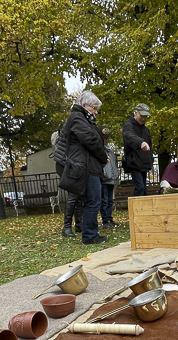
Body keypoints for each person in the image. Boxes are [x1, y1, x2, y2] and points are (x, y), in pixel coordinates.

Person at [57, 90, 109, 245]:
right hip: (85, 167)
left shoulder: (80, 118)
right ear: (84, 105)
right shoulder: (78, 118)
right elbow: (90, 140)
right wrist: (102, 156)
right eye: (94, 108)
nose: (96, 112)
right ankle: (89, 236)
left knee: (90, 201)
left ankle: (89, 233)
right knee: (93, 200)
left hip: (86, 166)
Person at [122, 103, 153, 196]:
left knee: (144, 190)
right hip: (134, 163)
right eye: (142, 116)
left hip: (144, 163)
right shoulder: (128, 126)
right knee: (140, 188)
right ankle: (137, 209)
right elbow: (129, 136)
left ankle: (144, 209)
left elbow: (150, 147)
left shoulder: (146, 130)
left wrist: (150, 160)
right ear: (136, 113)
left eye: (145, 116)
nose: (143, 119)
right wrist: (140, 143)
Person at [100, 127, 120, 229]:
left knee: (110, 201)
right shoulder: (100, 150)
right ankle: (105, 220)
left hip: (111, 179)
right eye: (105, 138)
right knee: (105, 201)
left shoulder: (110, 151)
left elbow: (113, 164)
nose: (107, 140)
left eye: (108, 138)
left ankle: (109, 218)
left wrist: (115, 174)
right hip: (104, 180)